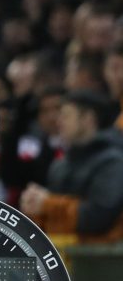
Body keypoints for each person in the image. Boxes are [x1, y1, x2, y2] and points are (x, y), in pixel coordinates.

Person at [20, 90, 123, 242]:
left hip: (100, 261)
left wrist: (47, 204)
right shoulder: (60, 164)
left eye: (66, 115)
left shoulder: (113, 161)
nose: (58, 121)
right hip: (62, 258)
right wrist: (36, 207)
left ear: (88, 119)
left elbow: (98, 217)